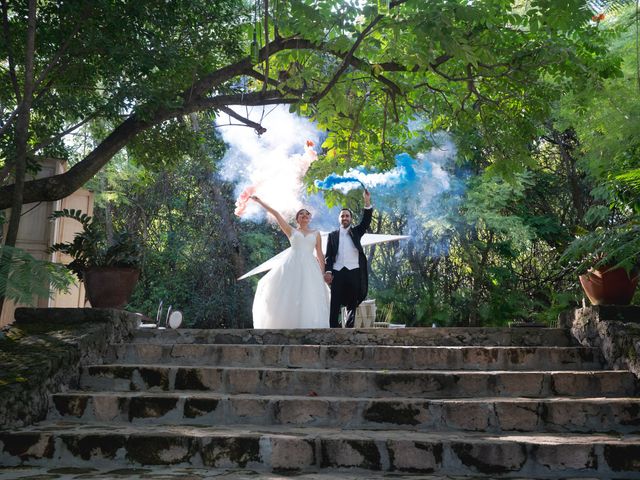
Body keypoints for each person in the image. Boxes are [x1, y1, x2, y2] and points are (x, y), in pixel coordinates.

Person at [249, 195, 330, 329]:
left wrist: (322, 273)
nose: (304, 215)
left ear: (310, 218)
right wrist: (260, 201)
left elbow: (320, 254)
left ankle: (310, 325)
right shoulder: (291, 230)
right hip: (292, 264)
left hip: (310, 266)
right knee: (290, 292)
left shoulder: (316, 233)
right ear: (297, 218)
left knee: (310, 293)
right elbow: (275, 214)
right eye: (301, 214)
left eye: (307, 214)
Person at [324, 189, 372, 328]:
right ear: (339, 219)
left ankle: (349, 329)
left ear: (351, 219)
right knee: (335, 301)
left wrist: (367, 201)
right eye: (342, 216)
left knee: (352, 301)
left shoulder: (356, 231)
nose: (345, 218)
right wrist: (328, 271)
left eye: (347, 216)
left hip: (354, 270)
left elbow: (366, 220)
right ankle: (333, 327)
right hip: (338, 271)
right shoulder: (332, 235)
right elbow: (329, 256)